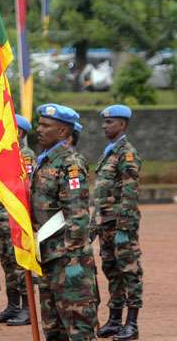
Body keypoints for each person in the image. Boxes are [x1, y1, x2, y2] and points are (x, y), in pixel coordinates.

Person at [32, 103, 97, 341]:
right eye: (39, 124)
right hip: (48, 255)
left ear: (62, 132)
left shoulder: (70, 164)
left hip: (67, 260)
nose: (39, 129)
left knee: (77, 326)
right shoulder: (45, 161)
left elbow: (77, 216)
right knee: (53, 327)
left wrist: (73, 262)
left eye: (46, 125)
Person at [93, 105, 142, 341]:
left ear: (122, 125)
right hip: (106, 224)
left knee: (129, 272)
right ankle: (114, 320)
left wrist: (124, 228)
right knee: (112, 271)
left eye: (109, 122)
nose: (105, 126)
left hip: (121, 225)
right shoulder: (109, 152)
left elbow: (130, 193)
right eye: (105, 122)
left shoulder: (126, 153)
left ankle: (131, 324)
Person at [0, 114, 35, 326]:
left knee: (20, 264)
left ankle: (26, 308)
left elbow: (25, 189)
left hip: (18, 220)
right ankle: (13, 306)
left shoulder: (25, 156)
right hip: (4, 221)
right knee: (7, 264)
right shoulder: (4, 155)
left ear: (19, 132)